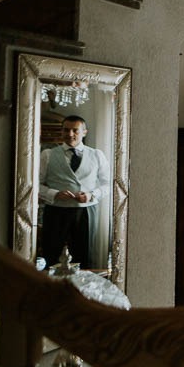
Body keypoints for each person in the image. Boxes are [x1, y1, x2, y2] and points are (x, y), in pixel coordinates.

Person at [38, 115, 111, 268]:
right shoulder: (48, 155)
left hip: (86, 212)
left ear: (84, 132)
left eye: (75, 130)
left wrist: (92, 195)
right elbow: (35, 186)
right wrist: (54, 193)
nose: (70, 134)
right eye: (66, 130)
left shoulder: (97, 155)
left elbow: (107, 185)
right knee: (51, 254)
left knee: (85, 255)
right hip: (56, 211)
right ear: (61, 132)